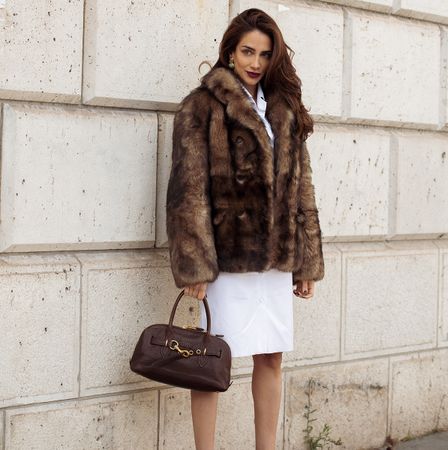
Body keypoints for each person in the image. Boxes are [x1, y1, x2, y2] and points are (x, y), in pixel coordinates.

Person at [166, 8, 325, 450]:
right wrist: (194, 264)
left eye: (264, 54)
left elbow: (301, 188)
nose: (255, 62)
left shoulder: (284, 109)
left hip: (275, 260)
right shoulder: (202, 106)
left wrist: (306, 261)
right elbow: (187, 189)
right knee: (211, 362)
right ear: (230, 52)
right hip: (227, 262)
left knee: (271, 356)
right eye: (247, 51)